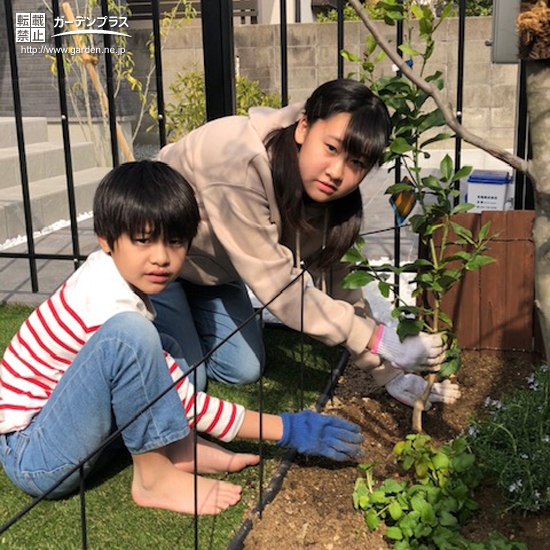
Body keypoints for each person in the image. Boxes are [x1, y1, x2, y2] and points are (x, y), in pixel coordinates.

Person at [0, 161, 365, 517]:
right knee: (133, 336)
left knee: (160, 351)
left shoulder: (112, 273)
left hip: (61, 424)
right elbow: (183, 401)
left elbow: (159, 383)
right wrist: (289, 428)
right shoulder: (106, 302)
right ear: (106, 238)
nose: (161, 257)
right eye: (143, 240)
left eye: (175, 242)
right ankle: (154, 479)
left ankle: (175, 447)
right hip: (34, 456)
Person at [153, 78, 460, 408]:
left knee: (243, 369)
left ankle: (184, 322)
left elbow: (343, 287)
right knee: (187, 379)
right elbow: (282, 290)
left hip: (215, 272)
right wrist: (380, 340)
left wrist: (390, 373)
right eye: (331, 148)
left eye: (356, 163)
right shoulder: (237, 163)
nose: (337, 172)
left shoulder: (329, 201)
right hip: (157, 267)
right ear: (303, 127)